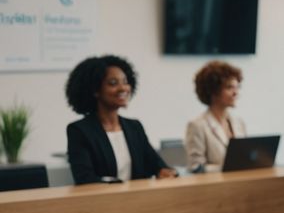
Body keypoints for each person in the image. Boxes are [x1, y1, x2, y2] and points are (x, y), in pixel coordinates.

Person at [65, 55, 176, 185]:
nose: (123, 88)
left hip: (139, 200)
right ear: (95, 90)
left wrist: (164, 172)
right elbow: (84, 178)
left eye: (125, 82)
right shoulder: (80, 131)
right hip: (104, 202)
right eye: (113, 83)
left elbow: (157, 165)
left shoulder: (134, 127)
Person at [185, 61, 248, 172]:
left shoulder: (239, 122)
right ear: (213, 91)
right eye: (229, 87)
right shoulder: (197, 126)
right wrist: (226, 167)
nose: (236, 93)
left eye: (237, 87)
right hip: (213, 188)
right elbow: (196, 168)